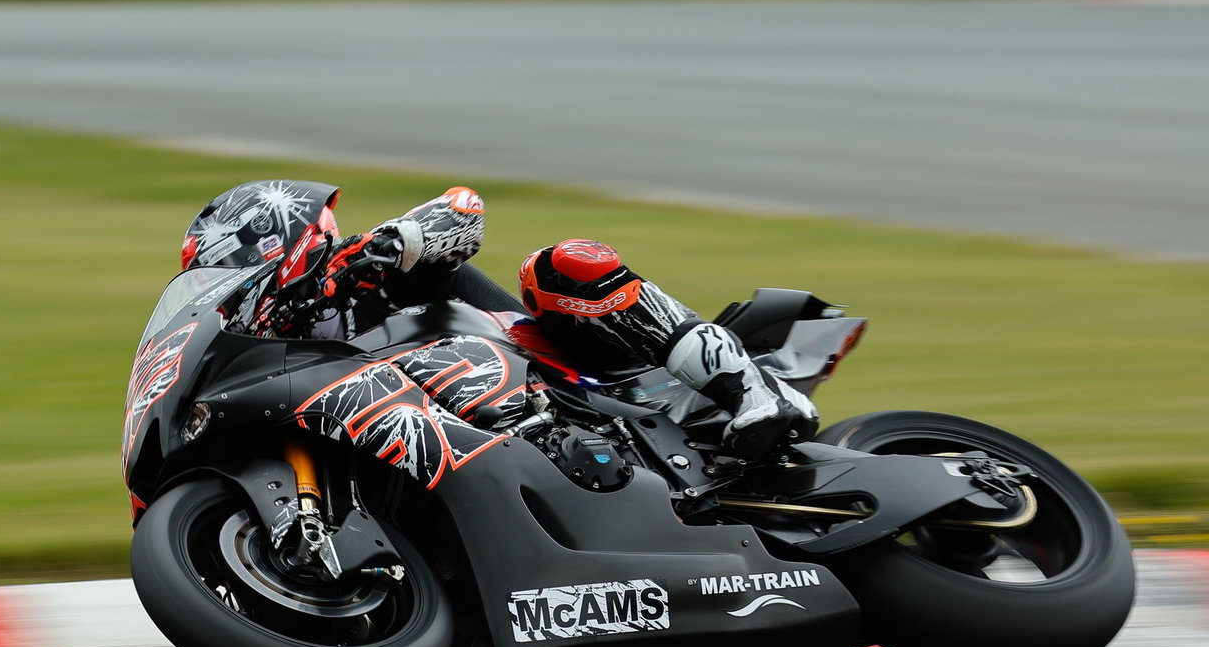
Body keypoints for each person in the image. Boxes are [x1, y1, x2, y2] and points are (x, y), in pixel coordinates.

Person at [181, 179, 816, 458]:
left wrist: (386, 246)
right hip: (468, 431)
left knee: (561, 265)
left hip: (556, 374)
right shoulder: (270, 349)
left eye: (230, 258)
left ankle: (756, 392)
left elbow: (463, 208)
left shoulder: (363, 264)